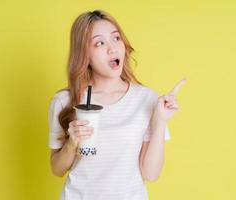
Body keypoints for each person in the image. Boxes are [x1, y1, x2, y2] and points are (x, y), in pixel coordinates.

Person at [48, 9, 186, 200]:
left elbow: (151, 174)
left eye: (116, 38)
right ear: (84, 53)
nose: (112, 48)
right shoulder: (65, 101)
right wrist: (72, 143)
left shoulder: (146, 99)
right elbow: (57, 169)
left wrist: (160, 120)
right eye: (99, 43)